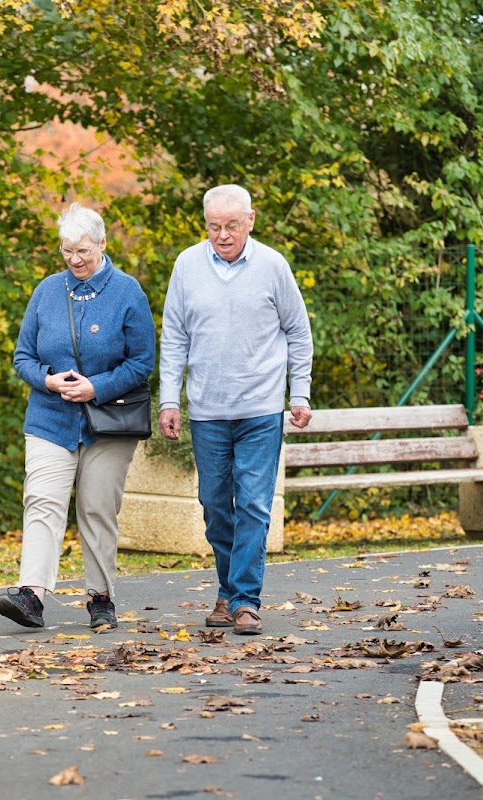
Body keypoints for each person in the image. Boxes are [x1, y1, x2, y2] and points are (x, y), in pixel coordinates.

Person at [158, 184, 313, 635]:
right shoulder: (187, 265)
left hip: (261, 409)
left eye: (230, 225)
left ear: (251, 220)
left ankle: (245, 600)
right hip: (207, 410)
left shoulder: (272, 266)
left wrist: (298, 394)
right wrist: (170, 399)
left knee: (252, 503)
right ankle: (227, 590)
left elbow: (298, 333)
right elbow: (174, 338)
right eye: (213, 226)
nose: (222, 235)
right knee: (214, 505)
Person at [0, 202, 156, 630]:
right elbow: (22, 357)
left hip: (110, 423)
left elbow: (142, 362)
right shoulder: (47, 291)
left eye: (83, 250)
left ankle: (100, 597)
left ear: (102, 243)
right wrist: (48, 380)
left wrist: (96, 387)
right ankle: (31, 596)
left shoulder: (128, 292)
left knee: (97, 508)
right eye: (67, 251)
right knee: (42, 501)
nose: (74, 259)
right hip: (50, 418)